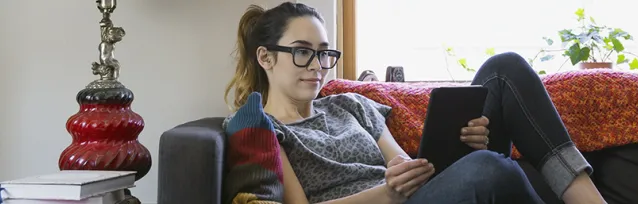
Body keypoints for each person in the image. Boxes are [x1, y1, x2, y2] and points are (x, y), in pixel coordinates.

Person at [222, 2, 606, 204]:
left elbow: (402, 163)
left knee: (504, 69)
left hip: (417, 195)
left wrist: (455, 152)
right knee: (490, 169)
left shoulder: (350, 105)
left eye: (324, 53)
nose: (318, 66)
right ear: (266, 58)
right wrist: (387, 193)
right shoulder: (264, 129)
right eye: (302, 53)